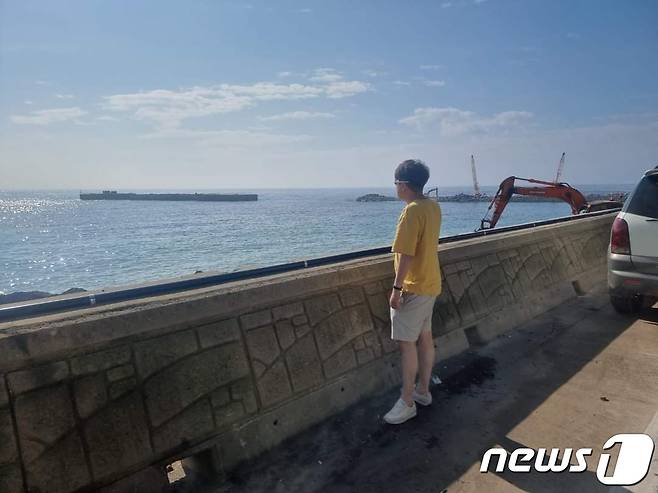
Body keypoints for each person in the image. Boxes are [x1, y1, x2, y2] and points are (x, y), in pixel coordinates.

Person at [383, 159, 442, 425]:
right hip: (430, 283)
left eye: (396, 183)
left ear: (404, 185)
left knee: (407, 345)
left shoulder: (411, 212)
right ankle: (423, 391)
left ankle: (407, 402)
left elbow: (406, 254)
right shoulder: (432, 206)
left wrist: (396, 289)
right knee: (425, 337)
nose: (395, 188)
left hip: (413, 287)